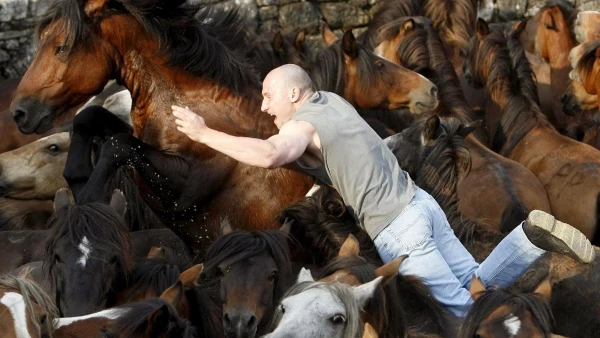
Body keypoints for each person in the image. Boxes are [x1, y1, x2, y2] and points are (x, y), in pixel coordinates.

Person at [171, 64, 594, 317]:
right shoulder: (332, 101)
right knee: (472, 278)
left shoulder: (303, 124)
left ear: (295, 94)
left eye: (268, 96)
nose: (264, 106)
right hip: (421, 205)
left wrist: (204, 132)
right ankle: (526, 239)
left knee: (459, 316)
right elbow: (333, 158)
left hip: (398, 228)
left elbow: (269, 155)